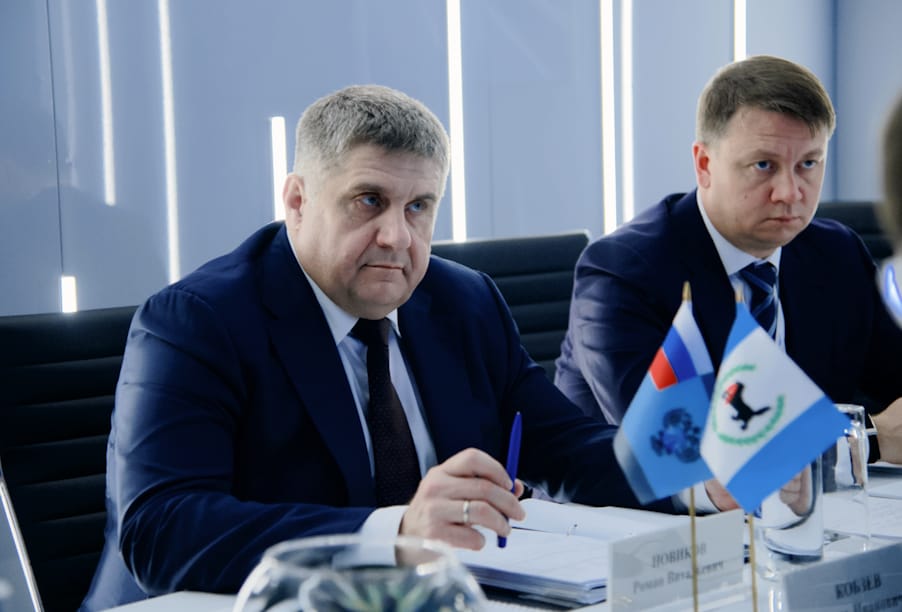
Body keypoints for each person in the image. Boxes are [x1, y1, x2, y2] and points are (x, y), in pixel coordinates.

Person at [80, 84, 681, 611]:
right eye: (369, 200)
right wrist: (396, 533)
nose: (396, 236)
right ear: (297, 201)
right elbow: (162, 529)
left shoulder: (465, 301)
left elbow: (565, 447)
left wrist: (695, 477)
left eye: (419, 207)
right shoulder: (197, 321)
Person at [555, 55, 902, 464]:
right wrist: (865, 441)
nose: (790, 192)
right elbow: (676, 447)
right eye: (763, 165)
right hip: (641, 502)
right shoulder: (623, 271)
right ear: (704, 165)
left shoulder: (835, 253)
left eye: (808, 163)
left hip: (818, 503)